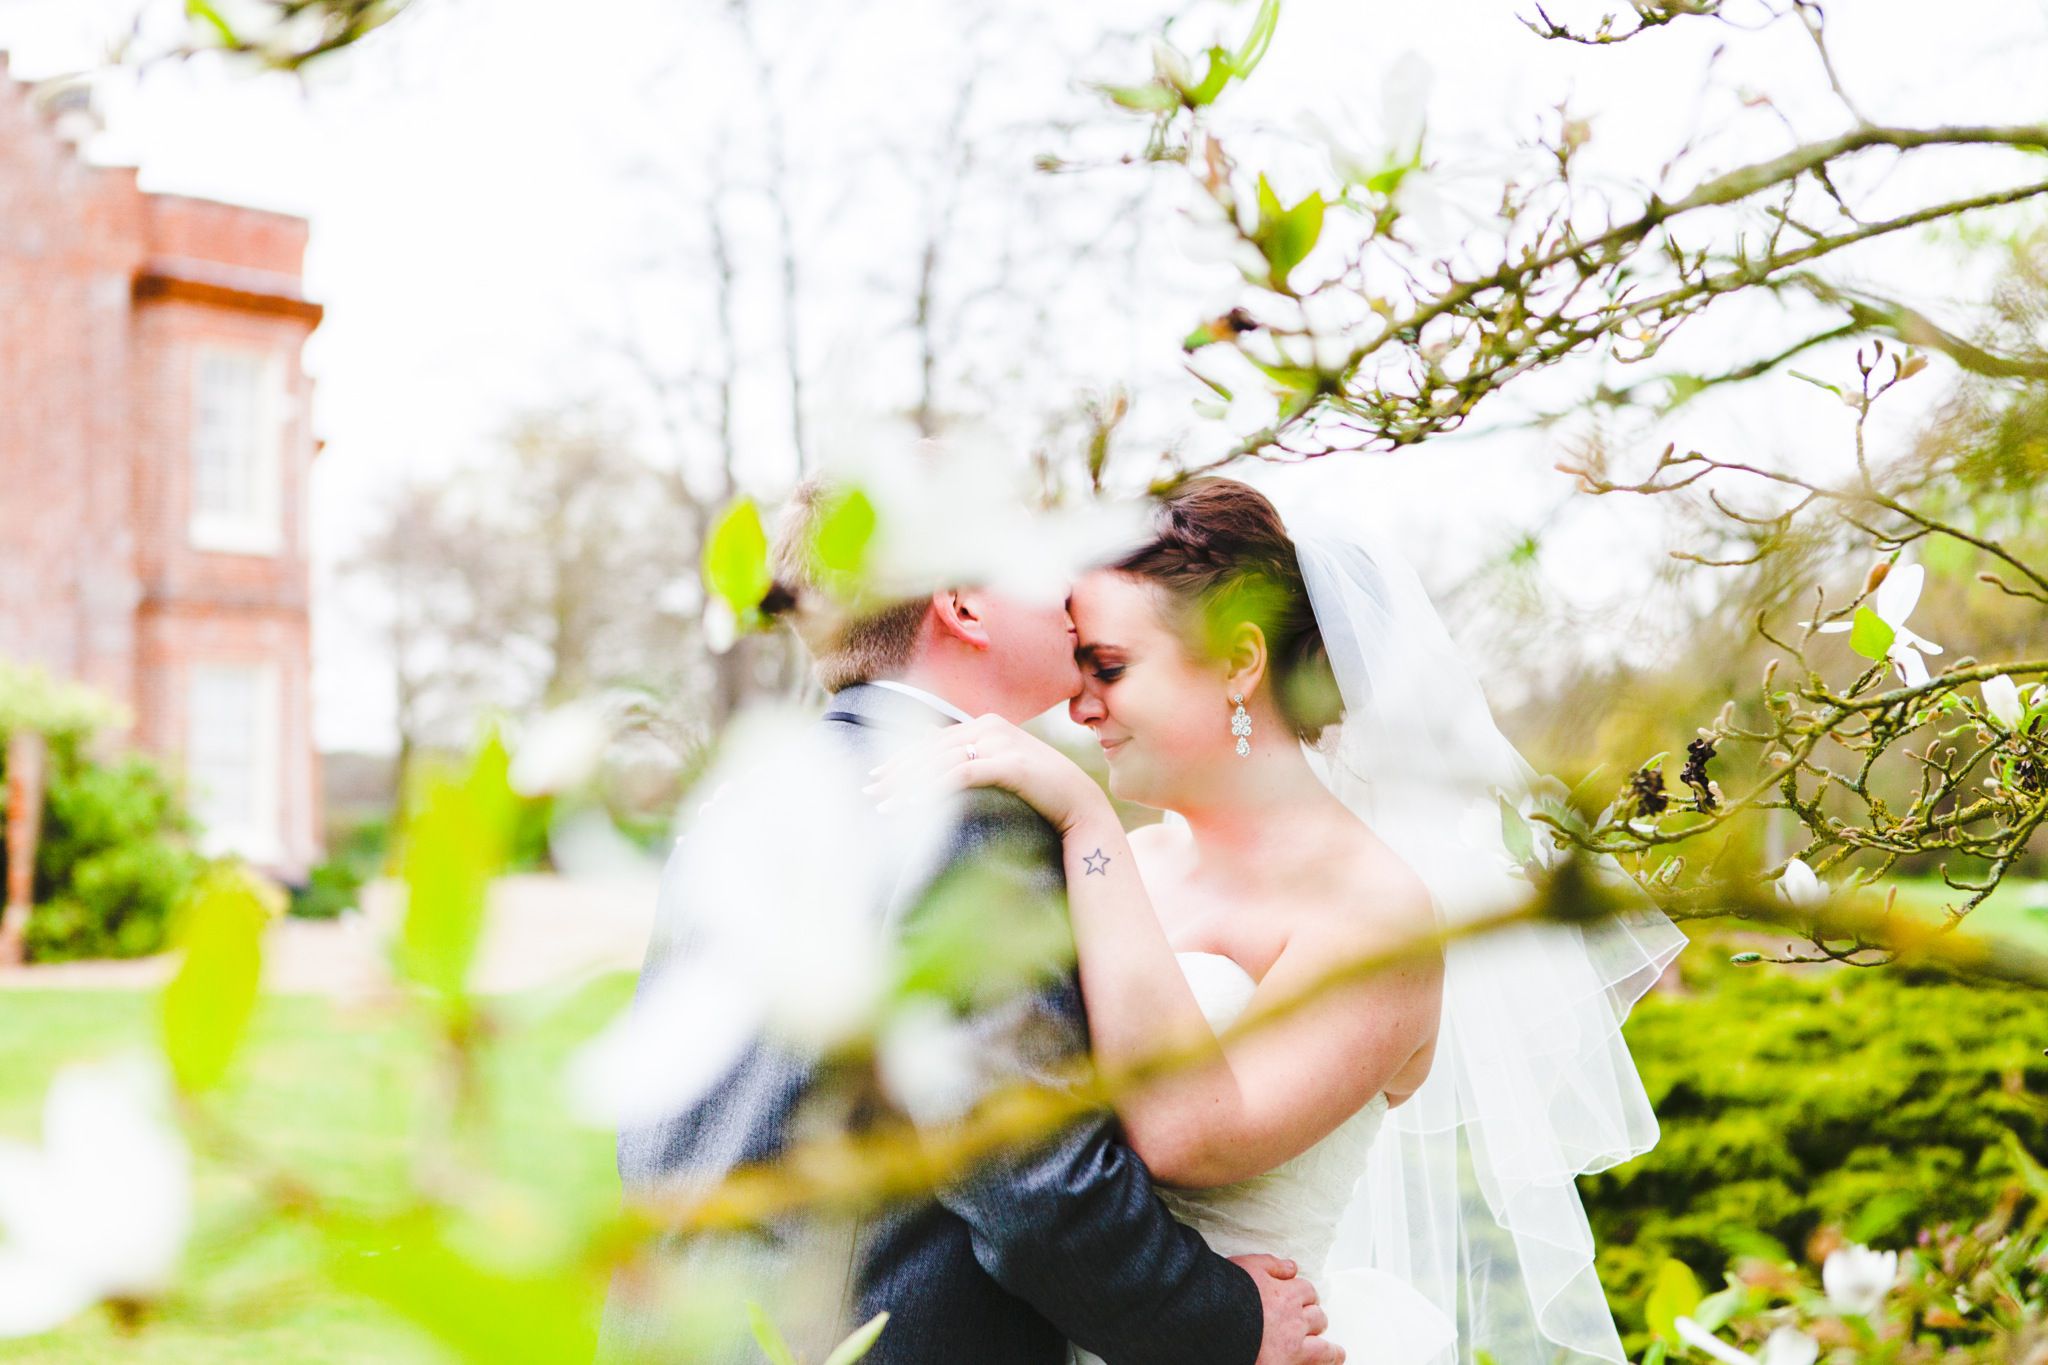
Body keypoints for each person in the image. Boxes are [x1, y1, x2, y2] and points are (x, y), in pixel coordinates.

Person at [870, 477, 1686, 1363]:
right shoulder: (1128, 866)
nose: (1079, 704)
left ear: (1238, 661)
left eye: (1109, 667)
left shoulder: (1381, 915)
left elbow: (1191, 1133)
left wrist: (1086, 818)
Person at [601, 479, 1340, 1365]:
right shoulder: (961, 810)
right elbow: (1032, 1182)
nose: (1070, 587)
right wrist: (1226, 1321)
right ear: (963, 604)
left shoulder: (742, 799)